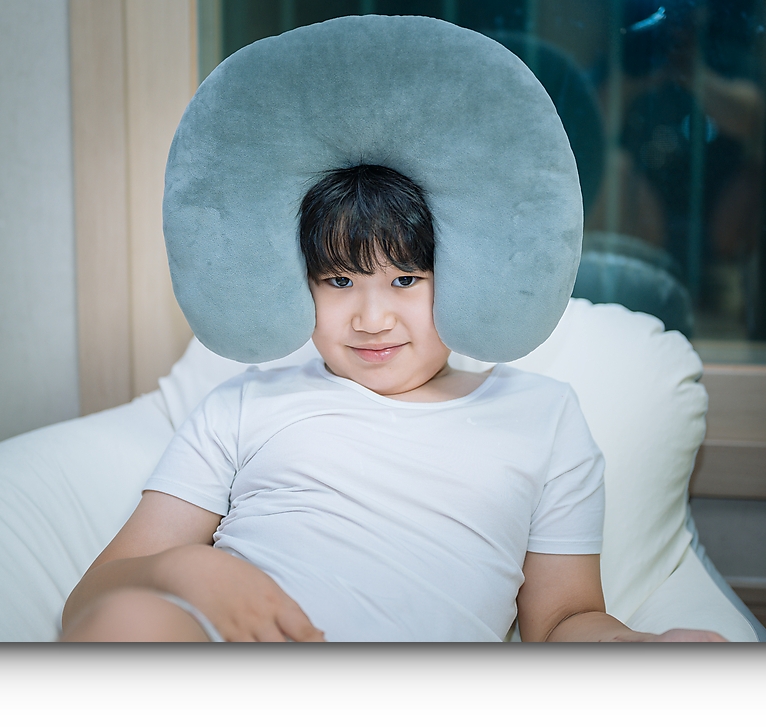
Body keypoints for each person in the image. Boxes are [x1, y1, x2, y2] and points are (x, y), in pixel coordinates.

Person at [60, 165, 725, 643]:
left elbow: (563, 619)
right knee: (126, 620)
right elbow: (89, 600)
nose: (371, 318)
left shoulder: (543, 414)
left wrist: (636, 646)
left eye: (406, 278)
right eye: (339, 280)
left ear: (461, 278)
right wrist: (186, 569)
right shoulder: (247, 400)